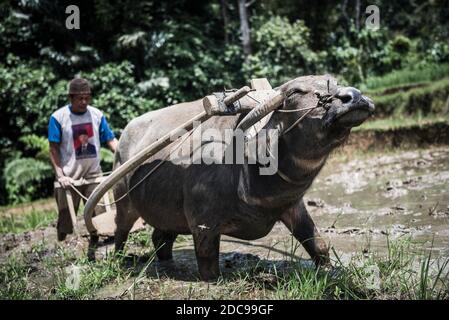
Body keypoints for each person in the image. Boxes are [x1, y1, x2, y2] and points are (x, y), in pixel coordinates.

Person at [48, 78, 118, 241]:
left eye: (87, 97)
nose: (84, 101)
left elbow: (111, 140)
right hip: (69, 177)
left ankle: (100, 243)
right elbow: (53, 149)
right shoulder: (58, 118)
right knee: (66, 219)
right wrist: (60, 175)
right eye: (80, 98)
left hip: (93, 174)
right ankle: (63, 246)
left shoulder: (96, 115)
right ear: (70, 98)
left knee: (101, 214)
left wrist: (125, 155)